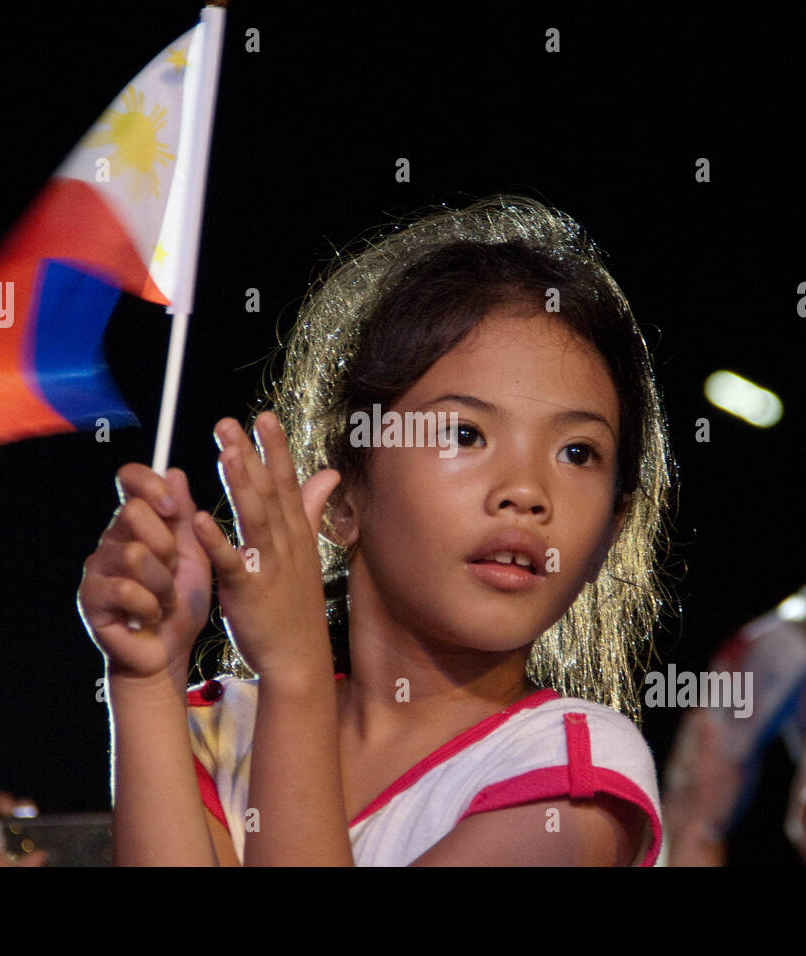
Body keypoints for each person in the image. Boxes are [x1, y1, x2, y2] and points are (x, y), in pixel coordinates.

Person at [77, 195, 679, 865]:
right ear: (344, 495)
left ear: (611, 529)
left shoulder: (576, 774)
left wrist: (295, 671)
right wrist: (146, 680)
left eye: (578, 453)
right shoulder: (221, 730)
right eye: (465, 433)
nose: (526, 492)